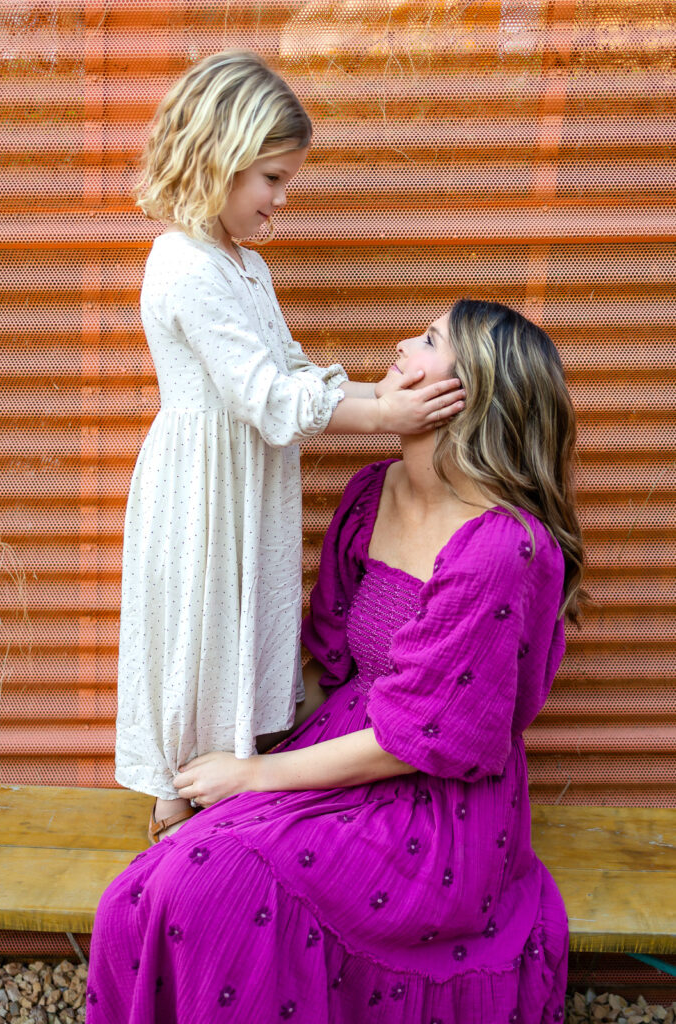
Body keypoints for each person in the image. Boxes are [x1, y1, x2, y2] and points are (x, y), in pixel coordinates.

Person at [88, 299, 586, 1024]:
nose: (398, 347)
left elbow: (417, 738)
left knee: (209, 888)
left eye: (425, 342)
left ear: (467, 394)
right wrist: (238, 755)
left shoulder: (499, 549)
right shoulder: (369, 493)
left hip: (431, 801)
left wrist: (255, 777)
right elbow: (327, 663)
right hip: (334, 748)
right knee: (142, 892)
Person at [115, 50, 465, 842]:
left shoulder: (245, 267)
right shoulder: (182, 265)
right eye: (271, 177)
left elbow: (291, 370)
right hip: (204, 478)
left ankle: (232, 766)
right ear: (219, 158)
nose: (280, 198)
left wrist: (384, 397)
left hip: (248, 472)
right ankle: (176, 790)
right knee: (196, 621)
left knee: (240, 618)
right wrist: (381, 416)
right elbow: (266, 397)